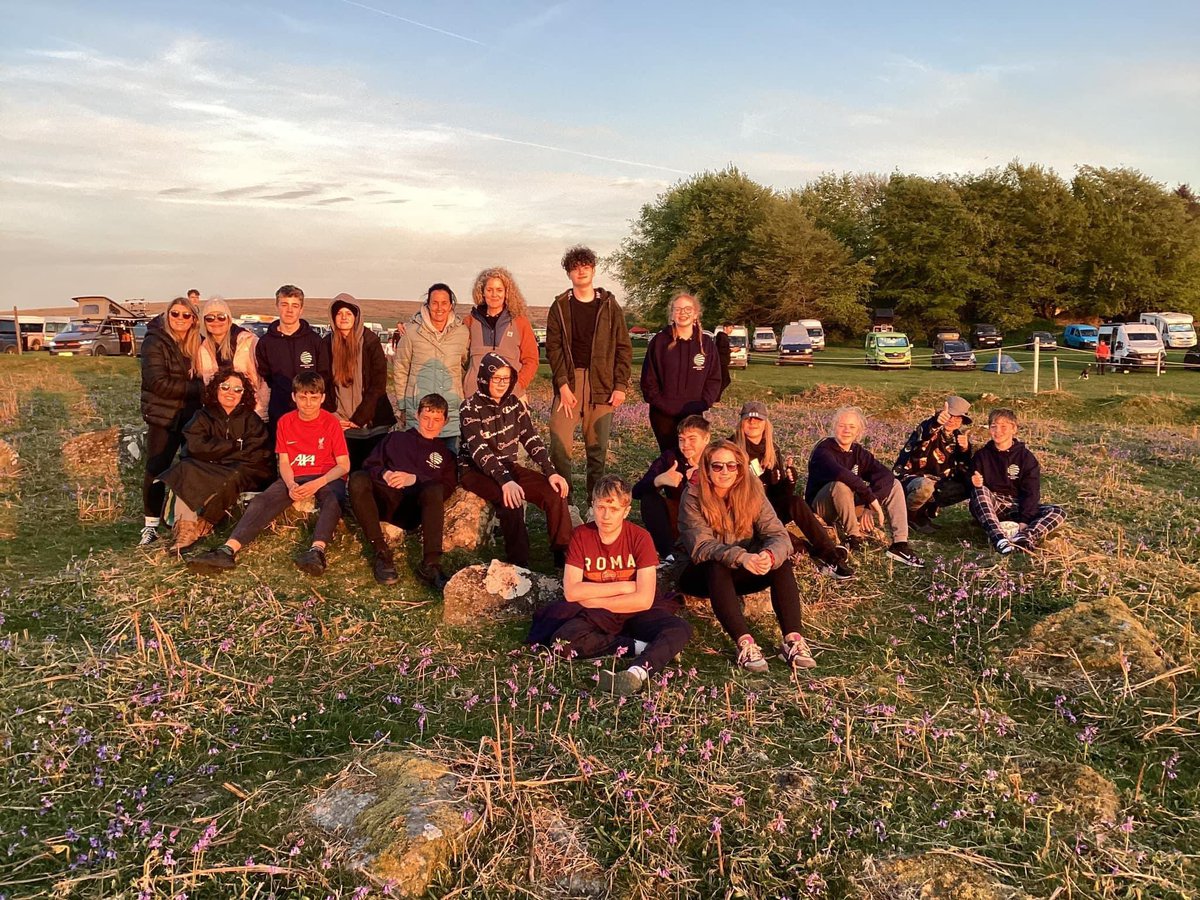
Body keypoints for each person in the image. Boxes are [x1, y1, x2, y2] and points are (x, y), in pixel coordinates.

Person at [527, 475, 693, 697]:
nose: (605, 516)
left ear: (625, 511)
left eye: (613, 509)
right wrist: (625, 587)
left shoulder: (640, 537)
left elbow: (644, 599)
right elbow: (572, 591)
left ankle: (636, 673)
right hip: (598, 614)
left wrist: (592, 599)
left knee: (679, 628)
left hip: (636, 612)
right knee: (562, 642)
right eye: (600, 507)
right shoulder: (581, 536)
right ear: (592, 505)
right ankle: (639, 647)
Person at [187, 371, 350, 575]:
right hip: (295, 475)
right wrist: (290, 484)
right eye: (303, 397)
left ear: (322, 398)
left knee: (332, 500)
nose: (308, 403)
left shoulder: (331, 422)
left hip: (325, 475)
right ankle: (228, 549)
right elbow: (284, 461)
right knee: (263, 501)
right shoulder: (285, 422)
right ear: (294, 397)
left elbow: (343, 465)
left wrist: (318, 483)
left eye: (314, 398)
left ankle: (316, 551)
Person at [677, 441, 816, 673]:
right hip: (699, 572)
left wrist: (768, 556)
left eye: (731, 466)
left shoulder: (753, 493)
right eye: (718, 466)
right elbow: (701, 547)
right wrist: (742, 557)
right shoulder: (692, 496)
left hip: (743, 568)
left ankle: (792, 640)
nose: (725, 472)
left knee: (779, 563)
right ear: (707, 469)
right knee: (716, 566)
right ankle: (745, 644)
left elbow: (778, 534)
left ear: (740, 468)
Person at [459, 353, 572, 568]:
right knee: (511, 500)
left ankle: (563, 552)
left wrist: (551, 471)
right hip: (475, 470)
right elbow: (479, 450)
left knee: (554, 492)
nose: (502, 383)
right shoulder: (469, 408)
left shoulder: (515, 405)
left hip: (508, 466)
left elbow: (530, 438)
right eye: (496, 378)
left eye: (506, 378)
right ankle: (519, 563)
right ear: (484, 378)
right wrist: (505, 481)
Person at [546, 245, 633, 499]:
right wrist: (562, 384)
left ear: (593, 270)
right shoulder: (560, 306)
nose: (581, 271)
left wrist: (620, 385)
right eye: (575, 268)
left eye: (585, 266)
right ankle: (567, 504)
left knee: (597, 450)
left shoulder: (609, 305)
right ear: (569, 274)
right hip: (570, 382)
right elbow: (553, 348)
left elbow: (623, 347)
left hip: (602, 383)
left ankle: (596, 504)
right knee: (560, 447)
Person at [733, 401, 854, 579]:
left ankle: (831, 555)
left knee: (796, 501)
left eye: (758, 419)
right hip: (746, 512)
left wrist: (788, 481)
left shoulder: (772, 450)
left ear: (766, 423)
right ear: (741, 422)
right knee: (790, 545)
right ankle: (813, 554)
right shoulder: (731, 448)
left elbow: (781, 496)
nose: (753, 423)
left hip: (770, 509)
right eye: (748, 419)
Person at [159, 368, 274, 553]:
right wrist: (234, 446)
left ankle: (206, 523)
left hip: (243, 472)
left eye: (238, 389)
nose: (231, 393)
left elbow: (257, 453)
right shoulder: (202, 416)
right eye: (225, 387)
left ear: (244, 394)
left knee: (233, 474)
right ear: (216, 389)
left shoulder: (252, 420)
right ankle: (185, 529)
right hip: (211, 468)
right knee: (186, 468)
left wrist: (216, 453)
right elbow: (194, 446)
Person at [349, 393, 457, 588]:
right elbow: (369, 465)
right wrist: (385, 473)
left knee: (434, 488)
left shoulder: (446, 455)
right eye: (426, 418)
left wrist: (415, 479)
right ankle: (381, 552)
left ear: (445, 421)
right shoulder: (395, 438)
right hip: (384, 499)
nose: (430, 424)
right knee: (357, 478)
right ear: (416, 415)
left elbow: (447, 487)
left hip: (413, 509)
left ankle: (431, 564)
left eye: (436, 420)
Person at [805, 406, 923, 568]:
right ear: (834, 427)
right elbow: (842, 474)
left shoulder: (858, 452)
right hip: (823, 508)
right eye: (842, 425)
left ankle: (899, 544)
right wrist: (871, 498)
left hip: (849, 505)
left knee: (894, 484)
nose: (846, 430)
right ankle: (854, 537)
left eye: (852, 427)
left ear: (859, 431)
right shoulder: (823, 449)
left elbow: (885, 475)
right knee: (841, 485)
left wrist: (869, 506)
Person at [138, 296, 203, 546]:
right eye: (175, 314)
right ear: (167, 315)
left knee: (191, 468)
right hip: (163, 416)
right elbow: (158, 383)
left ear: (194, 319)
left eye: (186, 315)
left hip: (192, 416)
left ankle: (184, 521)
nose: (180, 319)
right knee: (157, 468)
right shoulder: (155, 342)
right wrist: (200, 388)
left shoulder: (198, 343)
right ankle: (150, 525)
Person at [969, 408, 1066, 554]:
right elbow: (969, 481)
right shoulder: (981, 455)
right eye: (993, 426)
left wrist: (1024, 521)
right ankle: (999, 539)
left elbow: (1031, 492)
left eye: (1003, 427)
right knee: (979, 491)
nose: (998, 431)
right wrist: (973, 481)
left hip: (1018, 504)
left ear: (1014, 429)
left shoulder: (1026, 458)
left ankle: (1025, 537)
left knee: (1057, 511)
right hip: (994, 505)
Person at [640, 293, 723, 453]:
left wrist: (703, 403)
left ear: (696, 313)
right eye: (678, 309)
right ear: (672, 314)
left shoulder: (706, 344)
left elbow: (714, 379)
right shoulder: (659, 342)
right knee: (670, 459)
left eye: (687, 309)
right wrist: (663, 404)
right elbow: (648, 380)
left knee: (692, 458)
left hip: (694, 415)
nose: (682, 313)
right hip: (663, 415)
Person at [391, 283, 469, 452]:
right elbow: (401, 370)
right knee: (417, 469)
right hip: (419, 412)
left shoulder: (462, 333)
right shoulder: (411, 332)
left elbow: (466, 366)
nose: (439, 308)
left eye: (444, 303)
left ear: (451, 305)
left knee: (449, 469)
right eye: (434, 303)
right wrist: (404, 406)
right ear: (427, 305)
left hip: (451, 412)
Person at [324, 293, 396, 470]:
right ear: (333, 317)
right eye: (339, 313)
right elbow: (323, 382)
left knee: (371, 473)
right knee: (348, 471)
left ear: (356, 316)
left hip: (371, 421)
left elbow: (378, 384)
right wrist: (332, 416)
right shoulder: (326, 343)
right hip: (340, 422)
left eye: (348, 313)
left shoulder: (370, 341)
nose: (343, 318)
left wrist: (360, 418)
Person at [255, 284, 332, 432]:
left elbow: (324, 376)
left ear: (301, 309)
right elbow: (266, 377)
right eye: (284, 304)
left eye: (295, 306)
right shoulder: (265, 343)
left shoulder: (315, 341)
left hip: (310, 413)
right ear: (277, 306)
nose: (289, 310)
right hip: (279, 411)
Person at [632, 414, 711, 558]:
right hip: (679, 515)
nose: (685, 445)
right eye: (682, 440)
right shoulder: (671, 458)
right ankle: (668, 553)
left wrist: (702, 479)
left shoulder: (717, 458)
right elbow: (636, 492)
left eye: (692, 439)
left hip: (709, 518)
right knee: (649, 498)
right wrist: (659, 480)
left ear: (706, 439)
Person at [892, 396, 973, 533]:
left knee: (969, 484)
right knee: (925, 486)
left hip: (939, 482)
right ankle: (909, 516)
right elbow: (927, 432)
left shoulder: (958, 437)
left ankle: (925, 513)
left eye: (957, 418)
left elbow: (962, 465)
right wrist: (936, 422)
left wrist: (965, 449)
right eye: (950, 416)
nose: (952, 421)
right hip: (911, 478)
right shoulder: (928, 426)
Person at [464, 267, 539, 399]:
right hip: (474, 398)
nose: (494, 295)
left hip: (511, 397)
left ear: (507, 293)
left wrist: (518, 385)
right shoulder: (470, 321)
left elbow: (531, 360)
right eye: (489, 290)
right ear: (482, 292)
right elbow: (459, 359)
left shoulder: (520, 322)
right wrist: (465, 383)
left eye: (499, 290)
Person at [196, 297, 268, 418]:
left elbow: (265, 379)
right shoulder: (203, 349)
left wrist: (262, 408)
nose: (216, 321)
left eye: (221, 317)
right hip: (220, 415)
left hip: (252, 412)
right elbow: (207, 385)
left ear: (229, 319)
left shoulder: (250, 342)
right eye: (209, 318)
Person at [715, 323, 733, 399]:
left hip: (723, 362)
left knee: (725, 380)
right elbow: (721, 349)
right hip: (721, 362)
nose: (731, 330)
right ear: (725, 328)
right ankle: (716, 397)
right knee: (725, 380)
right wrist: (732, 350)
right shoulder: (722, 337)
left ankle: (716, 397)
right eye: (730, 328)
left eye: (732, 328)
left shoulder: (724, 337)